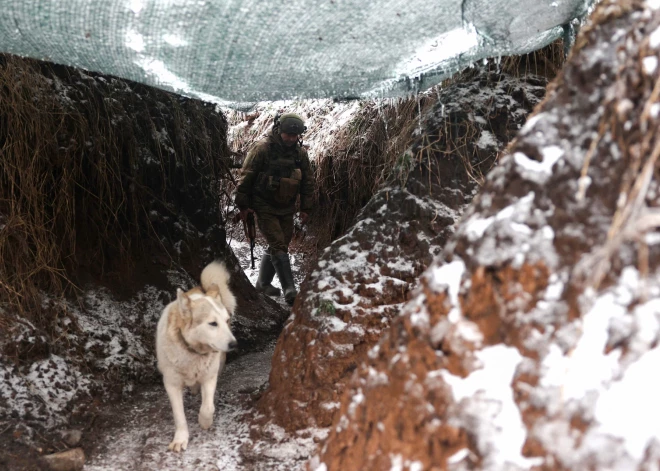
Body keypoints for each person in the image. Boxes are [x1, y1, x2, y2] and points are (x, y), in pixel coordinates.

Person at [234, 113, 314, 305]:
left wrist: (305, 208)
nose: (291, 139)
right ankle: (290, 290)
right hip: (264, 205)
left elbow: (307, 182)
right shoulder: (262, 149)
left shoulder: (299, 154)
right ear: (279, 131)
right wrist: (243, 206)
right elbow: (246, 178)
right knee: (278, 244)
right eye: (288, 135)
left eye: (295, 136)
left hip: (287, 206)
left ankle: (263, 283)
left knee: (281, 245)